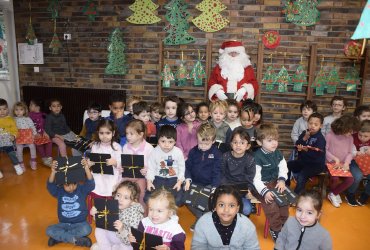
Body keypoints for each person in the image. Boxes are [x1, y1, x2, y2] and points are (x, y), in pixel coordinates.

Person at [192, 185, 260, 250]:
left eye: (231, 205)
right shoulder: (203, 223)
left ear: (237, 208)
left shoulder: (247, 226)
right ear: (215, 206)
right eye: (221, 205)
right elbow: (198, 247)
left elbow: (252, 248)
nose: (226, 210)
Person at [46, 159, 95, 247]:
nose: (71, 187)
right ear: (62, 184)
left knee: (87, 229)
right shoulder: (59, 192)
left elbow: (91, 184)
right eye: (67, 185)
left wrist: (87, 168)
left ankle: (59, 238)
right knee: (49, 230)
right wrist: (53, 171)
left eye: (74, 184)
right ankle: (75, 240)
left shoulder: (81, 190)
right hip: (63, 224)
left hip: (80, 223)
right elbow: (50, 185)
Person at [253, 123, 289, 242]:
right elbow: (255, 179)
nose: (274, 143)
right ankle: (276, 229)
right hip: (259, 186)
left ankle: (284, 225)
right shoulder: (257, 157)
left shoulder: (278, 153)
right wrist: (265, 192)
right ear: (259, 142)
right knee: (272, 206)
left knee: (284, 203)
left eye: (275, 139)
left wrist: (282, 179)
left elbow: (283, 167)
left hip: (275, 182)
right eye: (269, 140)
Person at [184, 123, 222, 227]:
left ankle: (203, 217)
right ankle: (201, 217)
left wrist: (214, 187)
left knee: (209, 201)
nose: (203, 146)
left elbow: (217, 172)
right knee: (185, 197)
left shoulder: (217, 154)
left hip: (210, 184)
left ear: (213, 141)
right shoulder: (193, 151)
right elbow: (187, 167)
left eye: (207, 144)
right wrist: (187, 179)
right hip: (195, 183)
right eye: (200, 143)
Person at [90, 180, 144, 250]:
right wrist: (95, 214)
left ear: (133, 201)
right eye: (118, 195)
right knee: (99, 229)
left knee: (128, 248)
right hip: (114, 237)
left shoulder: (136, 215)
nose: (120, 200)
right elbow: (103, 222)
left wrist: (122, 230)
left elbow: (132, 241)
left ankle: (112, 247)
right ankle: (105, 247)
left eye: (126, 197)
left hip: (126, 242)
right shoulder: (112, 205)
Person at [84, 119, 122, 216]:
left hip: (112, 177)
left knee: (111, 189)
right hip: (98, 175)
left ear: (113, 133)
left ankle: (108, 213)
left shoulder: (117, 147)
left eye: (107, 133)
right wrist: (90, 163)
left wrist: (115, 163)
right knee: (95, 186)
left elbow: (121, 165)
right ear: (98, 133)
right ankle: (98, 211)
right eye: (101, 133)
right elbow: (91, 161)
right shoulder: (95, 146)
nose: (104, 136)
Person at [145, 125, 185, 206]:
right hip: (158, 179)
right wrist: (149, 181)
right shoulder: (154, 152)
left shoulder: (178, 152)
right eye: (163, 141)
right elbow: (151, 168)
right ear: (158, 140)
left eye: (170, 142)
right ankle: (159, 211)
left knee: (179, 200)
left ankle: (170, 214)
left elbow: (182, 168)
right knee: (148, 198)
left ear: (175, 142)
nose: (166, 145)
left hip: (174, 180)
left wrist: (180, 181)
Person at [286, 113, 326, 194]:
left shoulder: (321, 139)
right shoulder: (305, 133)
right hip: (303, 162)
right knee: (287, 165)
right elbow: (297, 144)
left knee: (302, 175)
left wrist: (305, 150)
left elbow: (316, 156)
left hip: (316, 165)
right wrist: (304, 139)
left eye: (316, 124)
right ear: (307, 123)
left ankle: (297, 195)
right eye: (310, 123)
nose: (312, 126)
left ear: (321, 126)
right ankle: (286, 186)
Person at [221, 127, 256, 216]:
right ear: (231, 144)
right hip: (227, 189)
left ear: (248, 146)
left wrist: (249, 190)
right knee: (223, 208)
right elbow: (222, 175)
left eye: (242, 143)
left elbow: (250, 178)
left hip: (242, 192)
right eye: (235, 142)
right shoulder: (225, 157)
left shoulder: (250, 159)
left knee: (247, 209)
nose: (238, 145)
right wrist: (226, 189)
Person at [326, 114, 358, 208]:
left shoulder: (350, 138)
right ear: (343, 127)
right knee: (335, 178)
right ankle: (335, 194)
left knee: (350, 179)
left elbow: (349, 152)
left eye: (353, 131)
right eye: (350, 130)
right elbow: (325, 151)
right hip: (329, 163)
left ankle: (333, 193)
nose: (351, 133)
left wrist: (347, 164)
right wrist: (335, 159)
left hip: (343, 164)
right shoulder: (329, 136)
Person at [122, 119, 154, 208]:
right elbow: (123, 162)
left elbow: (152, 165)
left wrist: (147, 169)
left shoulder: (149, 148)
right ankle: (125, 213)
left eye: (131, 134)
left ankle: (142, 216)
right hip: (128, 176)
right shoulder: (125, 147)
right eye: (127, 133)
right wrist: (121, 167)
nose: (128, 136)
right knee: (123, 192)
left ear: (140, 134)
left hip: (142, 177)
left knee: (142, 194)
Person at [346, 120, 370, 206]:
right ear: (357, 132)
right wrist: (355, 152)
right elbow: (347, 150)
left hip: (367, 162)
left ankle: (366, 194)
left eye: (366, 136)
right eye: (360, 135)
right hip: (354, 162)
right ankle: (350, 194)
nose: (362, 138)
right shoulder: (352, 137)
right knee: (357, 177)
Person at [0, 98, 22, 177]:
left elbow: (15, 130)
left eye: (4, 109)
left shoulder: (10, 120)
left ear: (8, 109)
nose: (2, 111)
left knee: (12, 154)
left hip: (8, 142)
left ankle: (17, 166)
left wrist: (14, 135)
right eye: (0, 109)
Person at [13, 101, 37, 170]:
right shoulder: (14, 120)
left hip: (28, 137)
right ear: (14, 111)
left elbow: (32, 126)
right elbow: (12, 128)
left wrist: (34, 134)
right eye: (16, 110)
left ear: (24, 110)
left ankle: (33, 161)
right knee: (19, 150)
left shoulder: (28, 119)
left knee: (32, 146)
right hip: (19, 137)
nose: (18, 112)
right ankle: (21, 163)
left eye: (21, 109)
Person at [29, 99, 53, 167]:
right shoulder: (29, 115)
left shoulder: (44, 115)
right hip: (34, 134)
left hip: (44, 133)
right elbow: (28, 126)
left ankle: (49, 157)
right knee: (38, 143)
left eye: (31, 105)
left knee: (49, 141)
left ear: (37, 107)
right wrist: (35, 133)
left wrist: (46, 132)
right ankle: (44, 158)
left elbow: (47, 125)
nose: (29, 106)